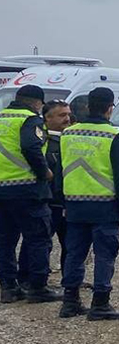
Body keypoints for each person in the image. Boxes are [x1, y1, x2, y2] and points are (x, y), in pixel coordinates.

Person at [58, 87, 119, 321]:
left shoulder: (67, 134)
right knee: (104, 255)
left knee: (74, 254)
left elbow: (63, 168)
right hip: (105, 206)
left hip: (74, 205)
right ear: (110, 108)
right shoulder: (114, 136)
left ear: (88, 106)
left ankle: (70, 302)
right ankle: (100, 303)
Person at [0, 85, 59, 303]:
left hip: (2, 189)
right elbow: (30, 146)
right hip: (27, 189)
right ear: (37, 103)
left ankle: (8, 287)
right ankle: (37, 288)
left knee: (5, 240)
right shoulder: (30, 120)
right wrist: (44, 171)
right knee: (38, 239)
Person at [41, 100, 70, 276]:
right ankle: (34, 279)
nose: (67, 118)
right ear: (47, 118)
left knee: (71, 245)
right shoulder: (42, 140)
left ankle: (70, 279)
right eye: (62, 115)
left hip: (67, 202)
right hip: (47, 201)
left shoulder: (71, 138)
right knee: (41, 243)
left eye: (68, 114)